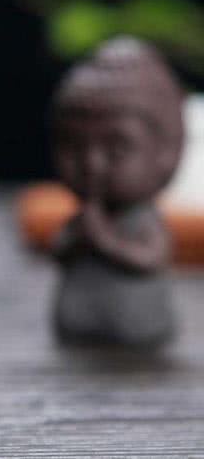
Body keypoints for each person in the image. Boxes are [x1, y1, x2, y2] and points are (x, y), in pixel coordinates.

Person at [51, 37, 183, 347]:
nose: (92, 165)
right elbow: (60, 251)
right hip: (75, 330)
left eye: (117, 149)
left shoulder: (144, 220)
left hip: (140, 329)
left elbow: (150, 257)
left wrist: (104, 240)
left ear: (165, 153)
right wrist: (74, 240)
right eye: (75, 146)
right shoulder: (81, 220)